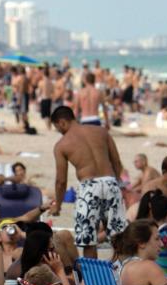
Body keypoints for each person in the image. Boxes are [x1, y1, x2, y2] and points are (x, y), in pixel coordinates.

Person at [49, 105, 128, 259]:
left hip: (89, 188)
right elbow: (117, 163)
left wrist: (58, 205)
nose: (59, 131)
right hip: (111, 182)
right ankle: (120, 275)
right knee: (118, 238)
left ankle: (94, 281)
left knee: (88, 240)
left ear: (62, 122)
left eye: (57, 128)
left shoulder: (61, 145)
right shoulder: (101, 131)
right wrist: (116, 184)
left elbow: (61, 181)